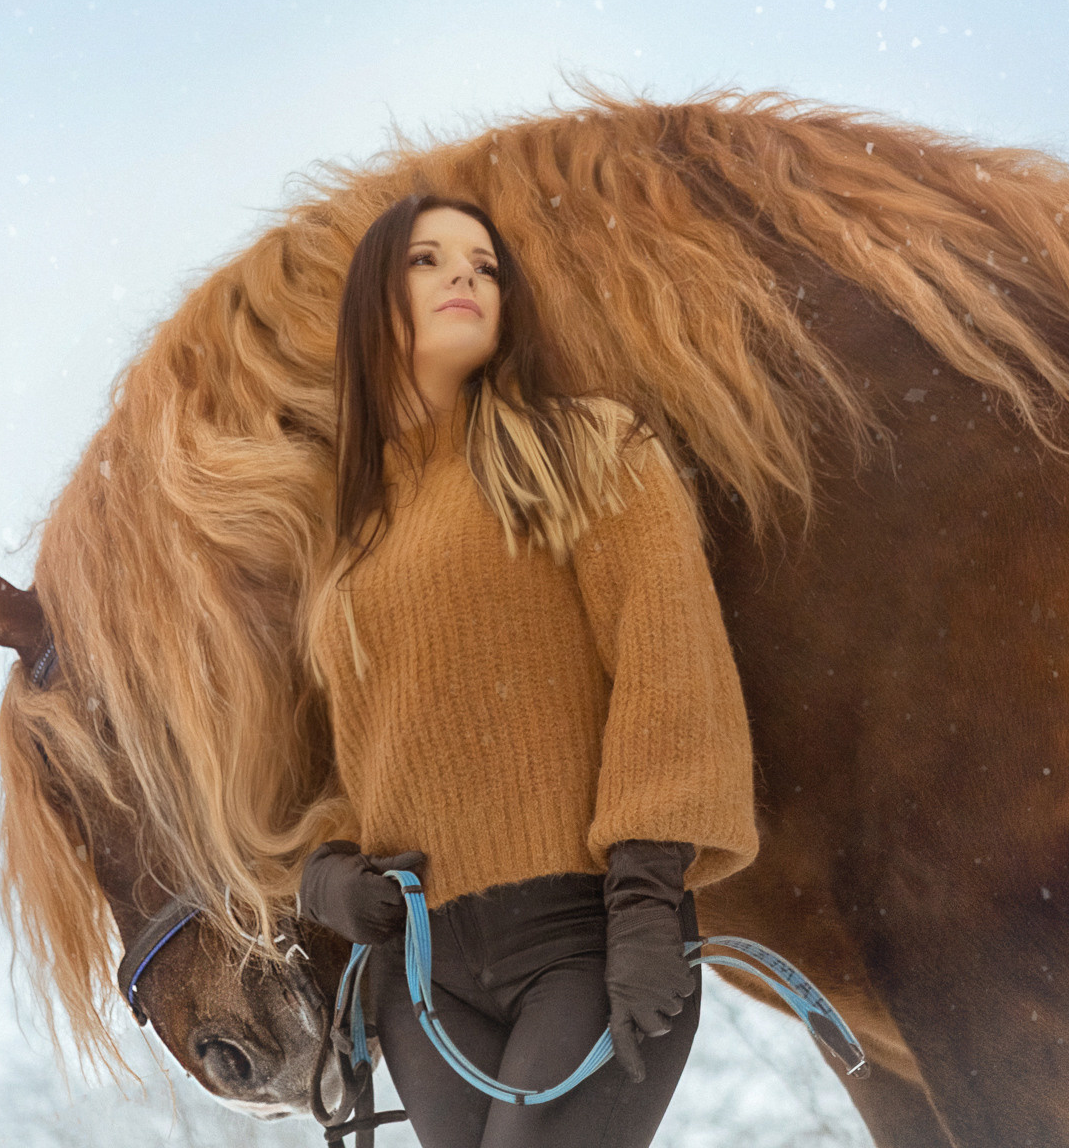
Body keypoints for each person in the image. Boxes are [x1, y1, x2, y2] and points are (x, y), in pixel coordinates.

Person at [294, 192, 758, 1148]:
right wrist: (327, 883)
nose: (465, 275)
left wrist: (643, 901)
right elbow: (357, 762)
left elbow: (668, 660)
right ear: (372, 306)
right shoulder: (347, 545)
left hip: (584, 936)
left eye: (485, 265)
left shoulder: (590, 447)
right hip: (423, 976)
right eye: (428, 260)